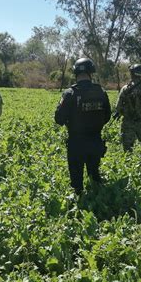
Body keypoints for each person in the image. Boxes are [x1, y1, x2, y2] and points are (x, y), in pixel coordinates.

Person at [55, 58, 111, 195]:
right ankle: (99, 201)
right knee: (94, 174)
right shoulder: (101, 92)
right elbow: (107, 116)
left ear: (75, 74)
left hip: (76, 142)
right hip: (95, 140)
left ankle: (79, 203)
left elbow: (58, 119)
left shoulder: (69, 94)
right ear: (91, 73)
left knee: (76, 180)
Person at [115, 64, 141, 157]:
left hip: (128, 122)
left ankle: (129, 165)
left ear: (132, 74)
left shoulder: (125, 89)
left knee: (127, 148)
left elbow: (118, 106)